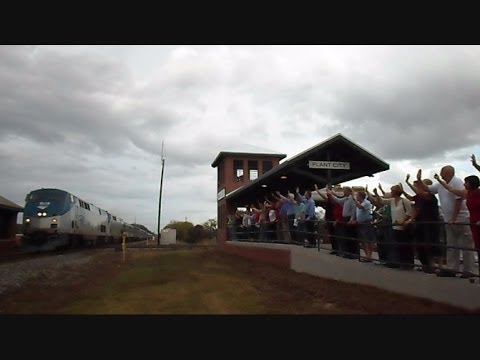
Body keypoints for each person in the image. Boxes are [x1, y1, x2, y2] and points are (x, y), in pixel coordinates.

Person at [417, 167, 475, 277]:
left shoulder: (457, 182)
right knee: (452, 245)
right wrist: (419, 180)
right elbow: (428, 188)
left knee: (466, 245)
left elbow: (459, 200)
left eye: (442, 173)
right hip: (449, 220)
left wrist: (454, 218)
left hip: (461, 219)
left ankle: (469, 270)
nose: (441, 175)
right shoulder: (440, 185)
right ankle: (452, 269)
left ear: (448, 173)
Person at [434, 173, 480, 279]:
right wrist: (440, 181)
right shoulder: (467, 193)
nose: (464, 184)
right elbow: (451, 189)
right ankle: (457, 269)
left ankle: (469, 270)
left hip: (476, 221)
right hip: (472, 222)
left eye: (466, 182)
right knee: (475, 246)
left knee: (468, 246)